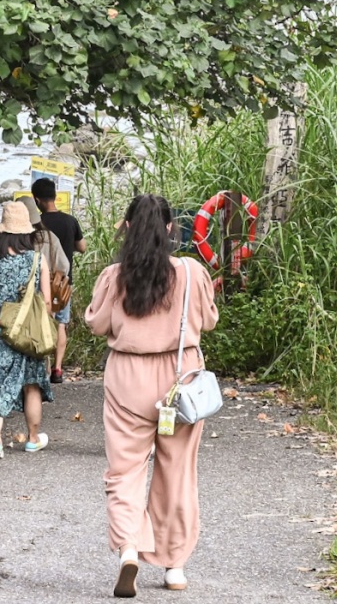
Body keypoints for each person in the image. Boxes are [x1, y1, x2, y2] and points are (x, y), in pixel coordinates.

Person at [85, 193, 218, 596]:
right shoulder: (192, 274)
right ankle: (174, 566)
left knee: (124, 470)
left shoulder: (114, 275)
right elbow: (208, 321)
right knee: (177, 472)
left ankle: (129, 547)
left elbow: (96, 323)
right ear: (169, 228)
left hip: (127, 376)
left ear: (126, 228)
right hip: (181, 380)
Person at [0, 201, 53, 459]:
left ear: (3, 231)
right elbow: (48, 301)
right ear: (26, 232)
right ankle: (32, 439)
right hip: (29, 334)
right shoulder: (37, 260)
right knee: (32, 386)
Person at [31, 177, 86, 383]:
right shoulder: (70, 221)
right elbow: (82, 247)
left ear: (36, 200)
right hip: (63, 282)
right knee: (61, 324)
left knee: (41, 322)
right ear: (54, 196)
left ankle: (41, 368)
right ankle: (58, 369)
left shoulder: (36, 224)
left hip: (40, 282)